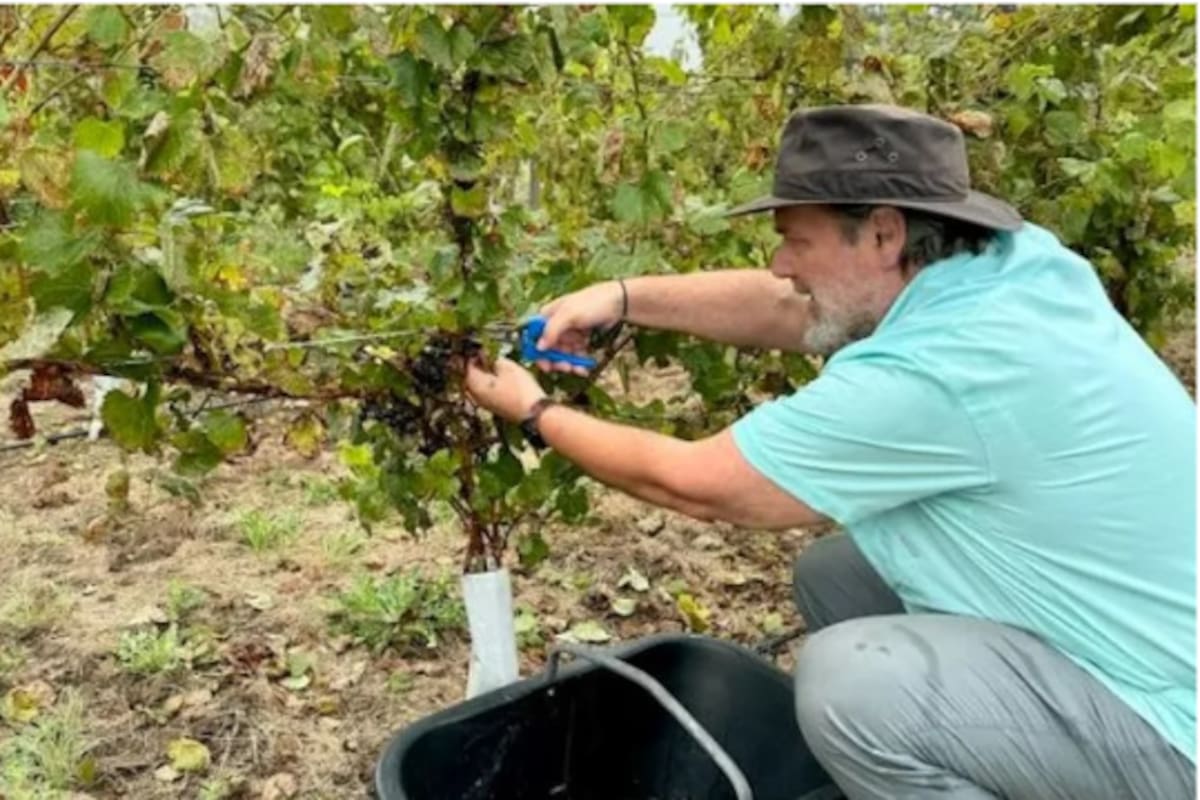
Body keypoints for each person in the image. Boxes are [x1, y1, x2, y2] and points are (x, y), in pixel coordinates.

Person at [465, 104, 1196, 799]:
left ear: (882, 234)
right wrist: (621, 296)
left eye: (798, 239)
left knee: (851, 686)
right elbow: (792, 310)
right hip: (1141, 636)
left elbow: (700, 483)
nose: (783, 263)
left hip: (1172, 727)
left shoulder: (938, 369)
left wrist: (535, 413)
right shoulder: (1012, 268)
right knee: (839, 576)